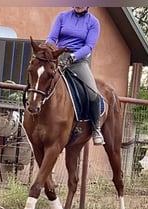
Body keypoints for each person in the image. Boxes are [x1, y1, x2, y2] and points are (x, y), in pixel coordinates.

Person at [45, 7, 105, 145]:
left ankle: (96, 128)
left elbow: (89, 46)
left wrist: (73, 57)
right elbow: (52, 37)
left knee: (92, 93)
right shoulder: (62, 16)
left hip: (78, 61)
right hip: (59, 58)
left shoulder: (93, 22)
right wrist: (48, 47)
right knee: (41, 81)